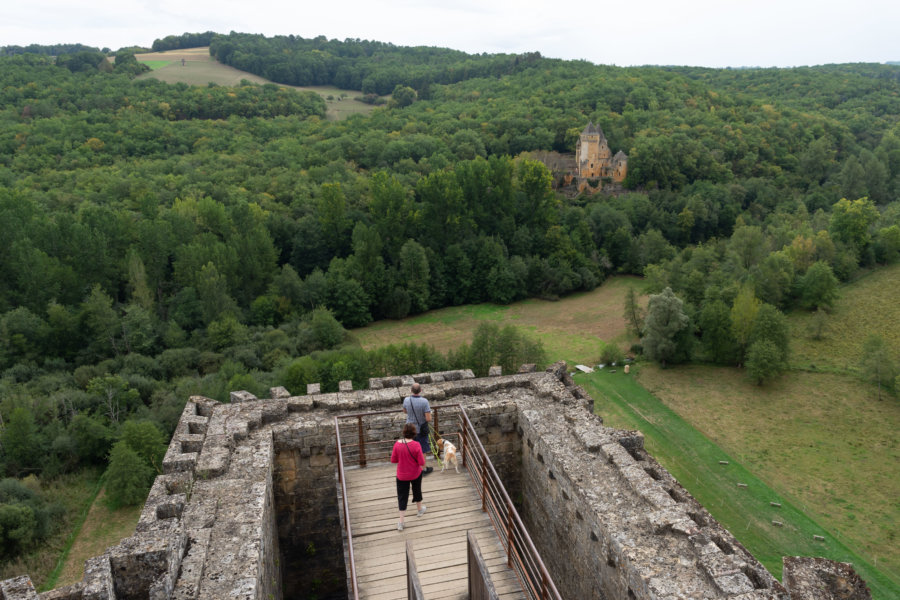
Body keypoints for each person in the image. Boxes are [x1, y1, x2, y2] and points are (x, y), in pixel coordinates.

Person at [390, 423, 426, 531]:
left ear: (404, 432)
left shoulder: (397, 444)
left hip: (401, 475)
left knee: (402, 497)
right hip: (415, 473)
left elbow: (393, 460)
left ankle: (401, 522)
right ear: (414, 433)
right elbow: (422, 462)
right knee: (417, 490)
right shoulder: (416, 445)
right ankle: (419, 510)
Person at [402, 383, 433, 475]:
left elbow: (405, 411)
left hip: (409, 428)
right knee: (422, 449)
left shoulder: (406, 400)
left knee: (410, 448)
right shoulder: (424, 401)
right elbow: (428, 419)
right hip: (420, 429)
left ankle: (412, 468)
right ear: (421, 390)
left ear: (411, 390)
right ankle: (423, 469)